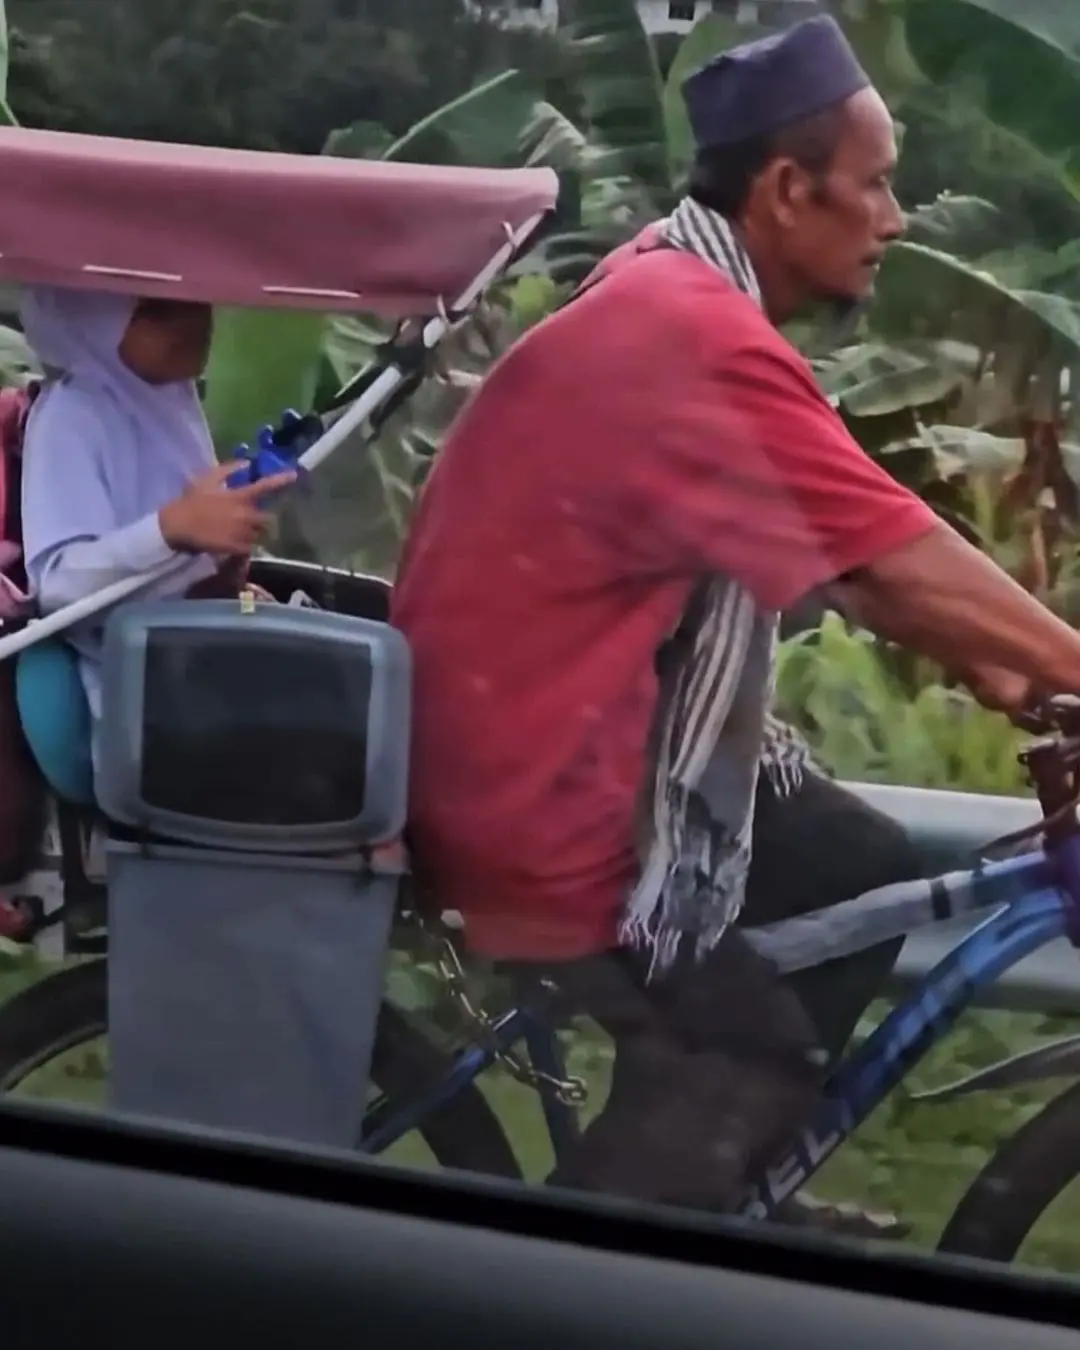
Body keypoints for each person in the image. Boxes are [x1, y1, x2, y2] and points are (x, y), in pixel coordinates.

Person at [390, 14, 1080, 1224]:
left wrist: (1012, 673)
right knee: (745, 1055)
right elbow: (896, 558)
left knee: (856, 865)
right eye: (875, 186)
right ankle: (586, 1267)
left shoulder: (672, 278)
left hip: (580, 726)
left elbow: (860, 571)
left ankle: (722, 1175)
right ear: (785, 187)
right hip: (539, 782)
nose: (898, 217)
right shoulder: (689, 333)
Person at [19, 287, 293, 755]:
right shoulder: (72, 417)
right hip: (142, 704)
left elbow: (181, 562)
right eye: (156, 310)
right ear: (91, 322)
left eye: (194, 295)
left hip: (201, 661)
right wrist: (170, 530)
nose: (194, 318)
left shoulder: (169, 401)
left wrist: (223, 561)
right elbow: (59, 588)